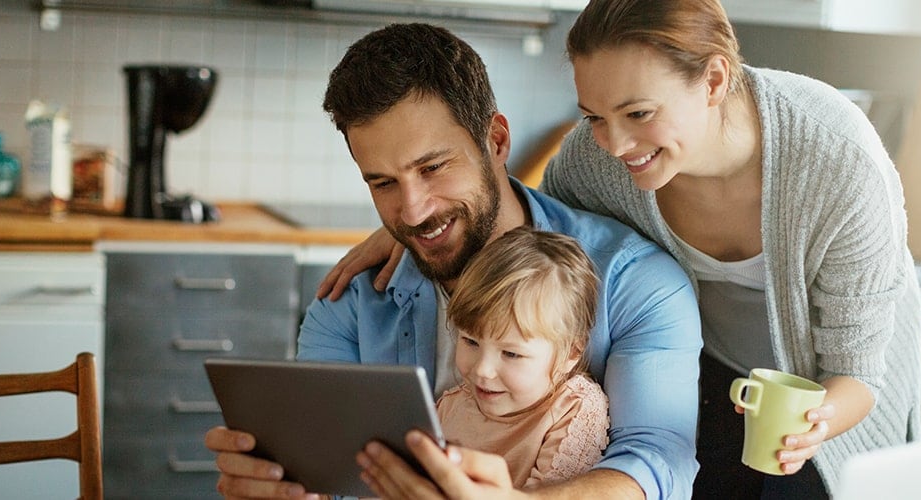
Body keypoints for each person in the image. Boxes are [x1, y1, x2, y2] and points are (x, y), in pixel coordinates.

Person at [318, 0, 921, 498]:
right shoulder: (598, 155)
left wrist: (808, 424)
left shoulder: (836, 164)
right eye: (594, 117)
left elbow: (858, 372)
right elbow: (536, 236)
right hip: (715, 374)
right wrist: (414, 225)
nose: (614, 143)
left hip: (827, 391)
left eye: (637, 112)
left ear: (713, 80)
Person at [204, 22, 704, 500]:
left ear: (497, 141)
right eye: (383, 183)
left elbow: (658, 465)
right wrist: (289, 485)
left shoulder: (636, 282)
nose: (414, 210)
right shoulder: (349, 307)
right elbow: (331, 472)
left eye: (433, 167)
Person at [440, 226, 610, 488]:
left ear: (572, 353)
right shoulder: (450, 406)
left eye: (511, 353)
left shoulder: (572, 409)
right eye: (470, 341)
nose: (483, 370)